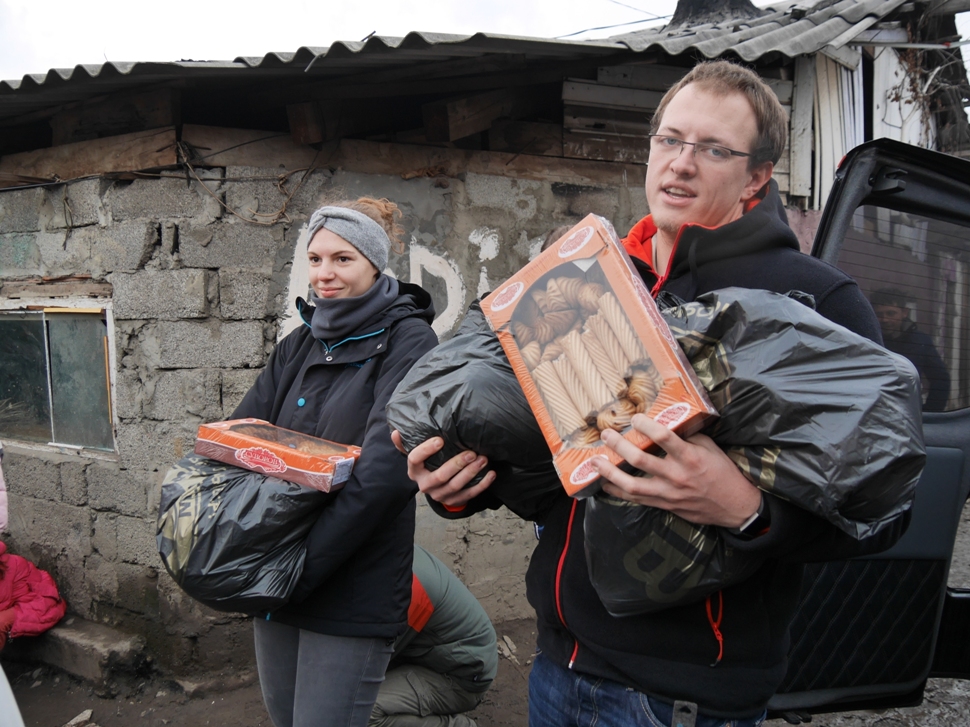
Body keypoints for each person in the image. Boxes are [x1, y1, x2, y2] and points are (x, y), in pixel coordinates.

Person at [393, 61, 910, 727]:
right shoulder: (589, 280)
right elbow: (572, 470)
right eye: (669, 140)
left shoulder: (815, 300)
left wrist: (747, 508)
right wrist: (471, 484)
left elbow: (884, 509)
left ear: (757, 176)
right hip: (557, 668)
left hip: (679, 698)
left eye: (714, 149)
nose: (682, 163)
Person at [232, 197, 438, 727]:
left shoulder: (408, 339)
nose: (325, 274)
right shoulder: (300, 343)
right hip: (278, 575)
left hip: (351, 583)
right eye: (316, 258)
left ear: (374, 264)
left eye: (343, 259)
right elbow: (242, 437)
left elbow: (384, 475)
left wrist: (304, 563)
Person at [369, 545, 497, 727]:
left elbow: (368, 663)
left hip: (460, 679)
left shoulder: (405, 590)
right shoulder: (387, 547)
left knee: (361, 710)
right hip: (429, 657)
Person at [870, 287, 950, 412]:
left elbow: (940, 380)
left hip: (907, 416)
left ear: (904, 313)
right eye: (879, 315)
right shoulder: (868, 340)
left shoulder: (920, 341)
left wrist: (929, 415)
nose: (885, 320)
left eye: (891, 313)